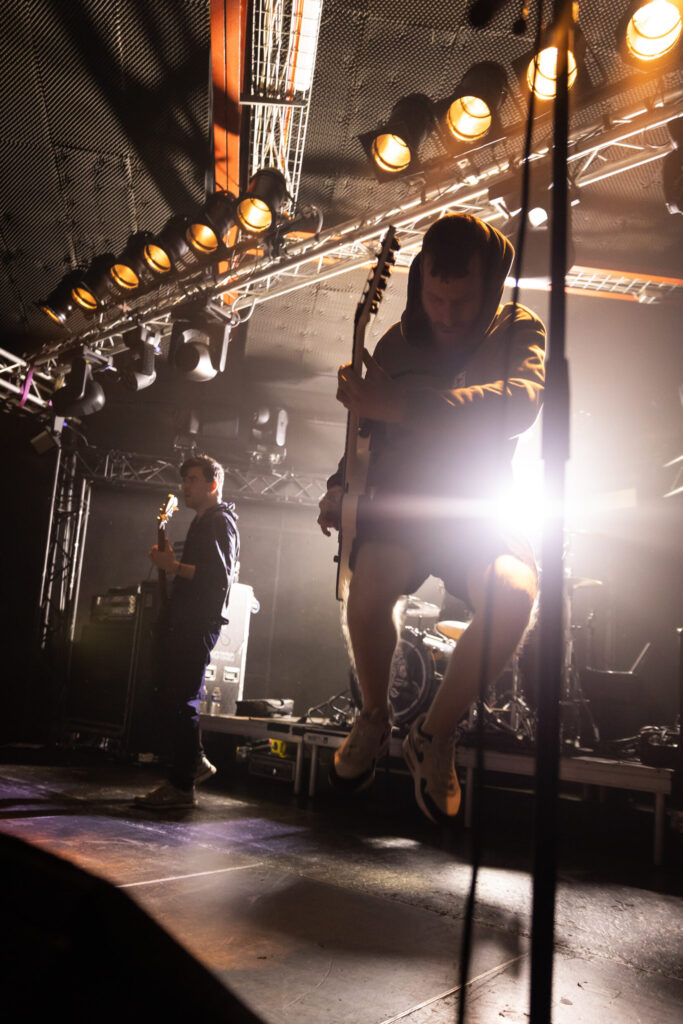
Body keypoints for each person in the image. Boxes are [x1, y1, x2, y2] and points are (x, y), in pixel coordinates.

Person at [317, 213, 545, 825]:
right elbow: (366, 431)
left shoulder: (518, 328)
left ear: (488, 282)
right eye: (434, 297)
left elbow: (520, 403)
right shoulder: (396, 340)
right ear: (419, 283)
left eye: (460, 299)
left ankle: (434, 735)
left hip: (477, 506)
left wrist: (402, 402)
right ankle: (372, 718)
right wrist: (340, 487)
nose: (445, 313)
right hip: (410, 505)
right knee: (364, 598)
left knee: (515, 595)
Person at [135, 454, 240, 810]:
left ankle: (182, 787)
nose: (186, 486)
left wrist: (174, 566)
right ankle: (193, 762)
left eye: (193, 479)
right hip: (185, 620)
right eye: (185, 480)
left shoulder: (220, 521)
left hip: (198, 623)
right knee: (173, 696)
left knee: (183, 699)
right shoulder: (202, 522)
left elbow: (217, 579)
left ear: (213, 485)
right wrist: (171, 565)